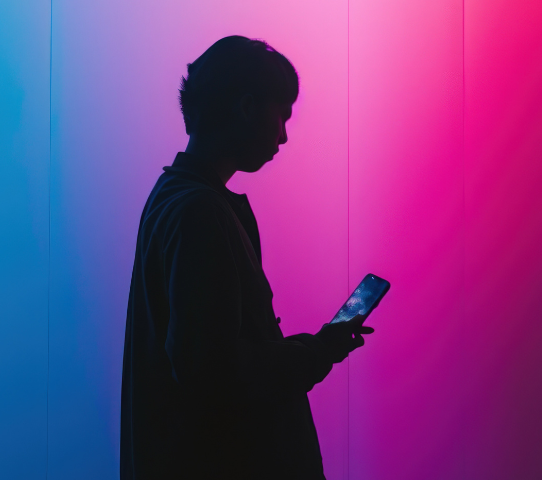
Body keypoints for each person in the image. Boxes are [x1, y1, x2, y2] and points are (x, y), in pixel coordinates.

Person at [121, 36, 375, 480]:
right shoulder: (200, 211)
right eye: (282, 116)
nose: (284, 136)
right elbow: (215, 375)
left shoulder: (174, 197)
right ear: (247, 107)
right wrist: (320, 349)